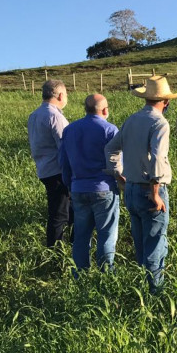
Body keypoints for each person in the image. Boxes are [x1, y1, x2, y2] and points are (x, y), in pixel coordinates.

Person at [105, 76, 177, 294]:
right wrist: (155, 193)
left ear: (146, 98)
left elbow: (110, 149)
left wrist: (118, 175)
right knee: (155, 243)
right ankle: (155, 293)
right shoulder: (160, 123)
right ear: (166, 101)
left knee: (140, 243)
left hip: (131, 189)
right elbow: (158, 158)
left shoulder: (131, 120)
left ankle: (141, 290)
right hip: (150, 190)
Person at [58, 94, 120, 274]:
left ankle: (80, 274)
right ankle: (106, 273)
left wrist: (69, 185)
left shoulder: (69, 130)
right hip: (104, 187)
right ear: (105, 110)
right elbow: (116, 163)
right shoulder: (110, 130)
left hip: (78, 188)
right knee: (106, 234)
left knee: (81, 235)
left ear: (85, 109)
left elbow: (64, 162)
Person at [28, 79, 72, 246]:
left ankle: (67, 245)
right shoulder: (55, 116)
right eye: (66, 94)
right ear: (60, 95)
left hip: (44, 168)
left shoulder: (34, 115)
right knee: (59, 214)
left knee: (65, 209)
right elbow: (65, 146)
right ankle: (56, 251)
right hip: (58, 170)